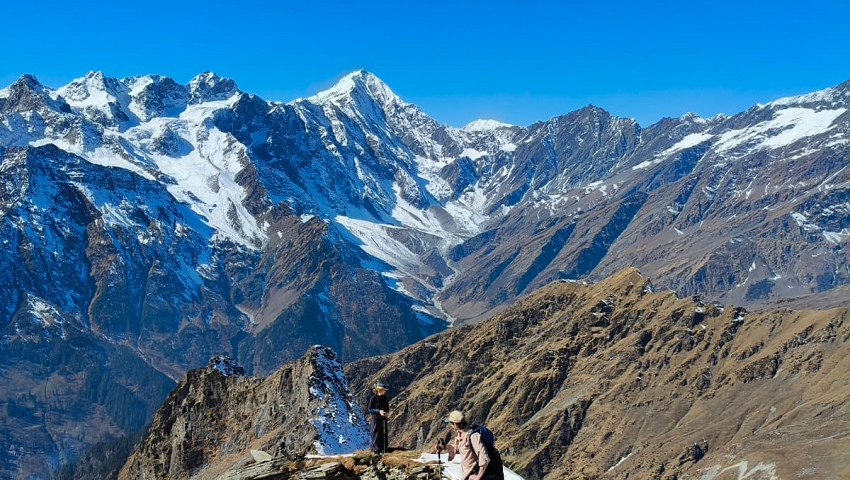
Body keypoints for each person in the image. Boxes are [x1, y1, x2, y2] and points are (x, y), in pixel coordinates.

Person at [436, 410, 504, 480]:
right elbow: (460, 449)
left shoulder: (473, 436)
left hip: (475, 474)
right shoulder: (460, 434)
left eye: (451, 423)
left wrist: (478, 477)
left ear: (455, 424)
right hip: (467, 475)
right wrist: (444, 447)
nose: (450, 426)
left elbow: (483, 456)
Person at [366, 381, 389, 453]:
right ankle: (375, 450)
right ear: (379, 390)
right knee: (375, 433)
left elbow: (387, 407)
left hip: (383, 418)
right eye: (383, 390)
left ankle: (383, 448)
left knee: (383, 433)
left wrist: (386, 412)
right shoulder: (373, 398)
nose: (384, 391)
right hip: (376, 418)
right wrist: (379, 411)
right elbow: (370, 409)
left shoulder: (385, 398)